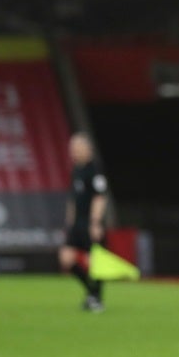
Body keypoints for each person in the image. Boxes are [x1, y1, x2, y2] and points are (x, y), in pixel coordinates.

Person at [58, 133, 108, 312]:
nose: (74, 151)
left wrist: (95, 222)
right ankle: (91, 291)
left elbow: (100, 198)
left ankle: (97, 298)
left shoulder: (95, 170)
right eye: (72, 148)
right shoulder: (75, 170)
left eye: (77, 147)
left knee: (95, 261)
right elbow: (72, 199)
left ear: (88, 149)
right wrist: (69, 224)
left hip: (89, 222)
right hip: (76, 223)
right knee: (66, 257)